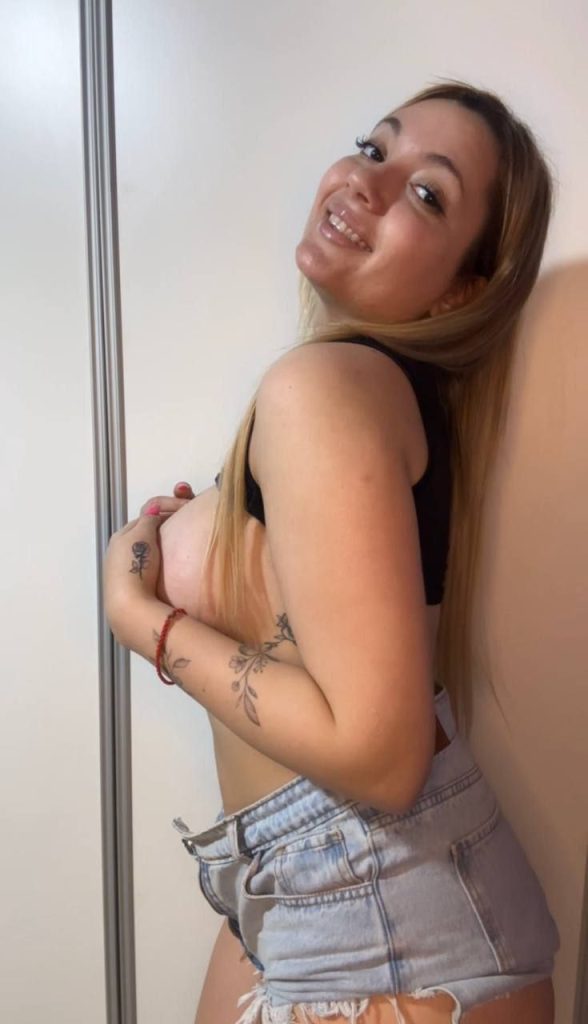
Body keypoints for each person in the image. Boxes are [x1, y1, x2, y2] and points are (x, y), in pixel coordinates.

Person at [104, 79, 561, 1024]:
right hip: (314, 895)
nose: (367, 181)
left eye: (427, 193)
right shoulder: (362, 391)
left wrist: (143, 620)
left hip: (388, 932)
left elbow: (379, 756)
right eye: (374, 146)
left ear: (465, 288)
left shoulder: (323, 389)